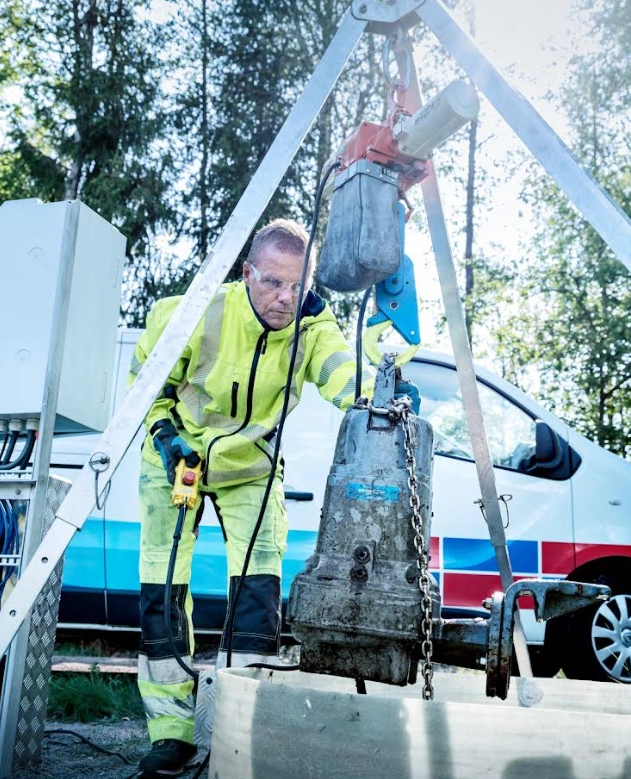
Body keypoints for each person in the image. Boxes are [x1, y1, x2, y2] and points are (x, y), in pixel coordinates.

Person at [127, 218, 418, 777]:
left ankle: (239, 722)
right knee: (162, 593)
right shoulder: (199, 311)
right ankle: (172, 734)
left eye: (298, 285)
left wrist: (386, 389)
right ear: (247, 274)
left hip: (252, 470)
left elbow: (343, 376)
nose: (287, 298)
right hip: (176, 458)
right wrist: (166, 437)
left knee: (258, 593)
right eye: (274, 284)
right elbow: (147, 383)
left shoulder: (312, 326)